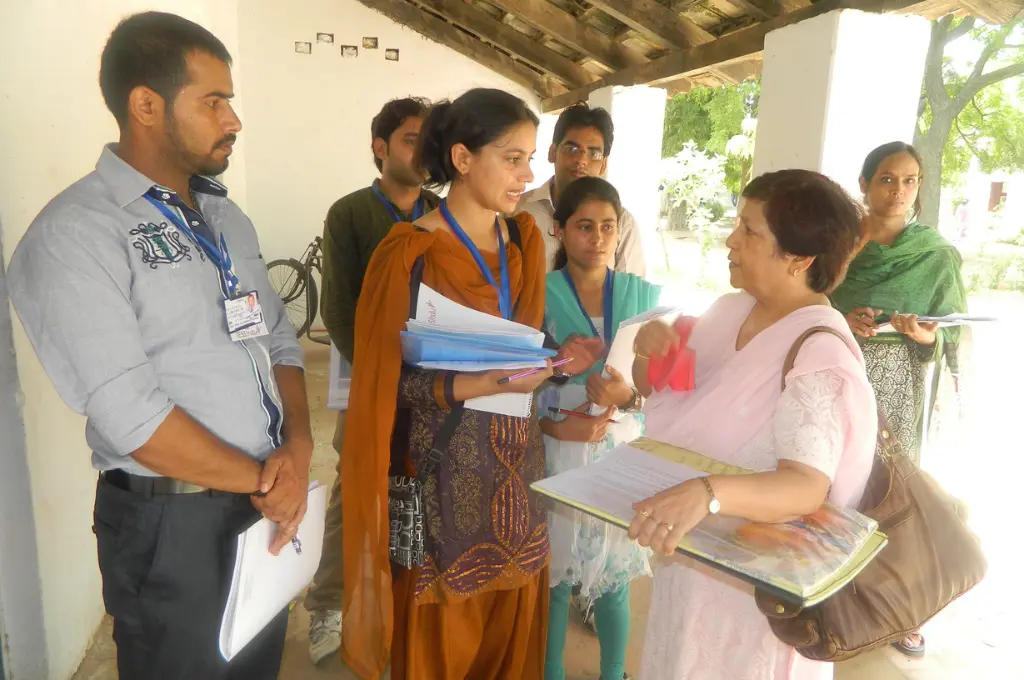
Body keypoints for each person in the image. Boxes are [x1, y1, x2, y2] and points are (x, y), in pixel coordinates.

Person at [6, 12, 310, 679]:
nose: (233, 120)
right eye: (213, 101)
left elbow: (280, 344)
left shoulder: (228, 217)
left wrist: (300, 449)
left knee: (255, 664)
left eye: (230, 100)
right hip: (171, 526)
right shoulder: (75, 234)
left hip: (260, 505)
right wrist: (270, 480)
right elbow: (131, 416)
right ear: (146, 105)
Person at [339, 87, 601, 680]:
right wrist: (462, 388)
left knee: (509, 646)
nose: (528, 175)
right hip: (443, 488)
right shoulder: (407, 253)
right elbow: (382, 386)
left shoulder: (525, 246)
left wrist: (558, 361)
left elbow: (519, 359)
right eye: (512, 158)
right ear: (461, 158)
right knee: (442, 651)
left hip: (517, 484)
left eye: (531, 158)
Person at [627, 170, 877, 680]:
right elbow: (659, 393)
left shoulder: (817, 351)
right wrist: (648, 352)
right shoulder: (727, 313)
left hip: (757, 591)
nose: (731, 240)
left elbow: (807, 485)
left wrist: (707, 494)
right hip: (694, 559)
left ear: (800, 258)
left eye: (750, 230)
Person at [307, 96, 439, 664]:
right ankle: (329, 606)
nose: (423, 151)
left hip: (434, 386)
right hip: (370, 381)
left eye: (429, 140)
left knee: (423, 489)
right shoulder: (351, 213)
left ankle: (407, 601)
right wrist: (379, 379)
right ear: (380, 148)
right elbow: (338, 311)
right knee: (357, 487)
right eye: (412, 139)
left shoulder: (443, 212)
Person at [830, 141, 968, 659]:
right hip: (838, 372)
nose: (899, 191)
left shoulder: (935, 256)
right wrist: (839, 319)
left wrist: (928, 337)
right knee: (835, 483)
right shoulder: (838, 244)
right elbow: (806, 298)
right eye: (888, 179)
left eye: (910, 181)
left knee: (894, 492)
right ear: (864, 183)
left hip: (897, 380)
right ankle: (834, 598)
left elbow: (953, 328)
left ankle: (902, 608)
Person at [539, 176, 660, 680]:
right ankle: (551, 672)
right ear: (560, 230)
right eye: (584, 226)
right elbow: (515, 380)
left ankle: (614, 672)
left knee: (616, 574)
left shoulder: (638, 295)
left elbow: (656, 387)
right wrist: (559, 374)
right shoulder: (537, 294)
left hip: (620, 446)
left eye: (607, 226)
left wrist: (629, 396)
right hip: (556, 443)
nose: (597, 237)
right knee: (554, 575)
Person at [518, 103, 646, 275]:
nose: (581, 160)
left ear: (604, 165)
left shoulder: (621, 222)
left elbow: (632, 296)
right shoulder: (519, 210)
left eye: (593, 153)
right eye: (572, 149)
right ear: (552, 153)